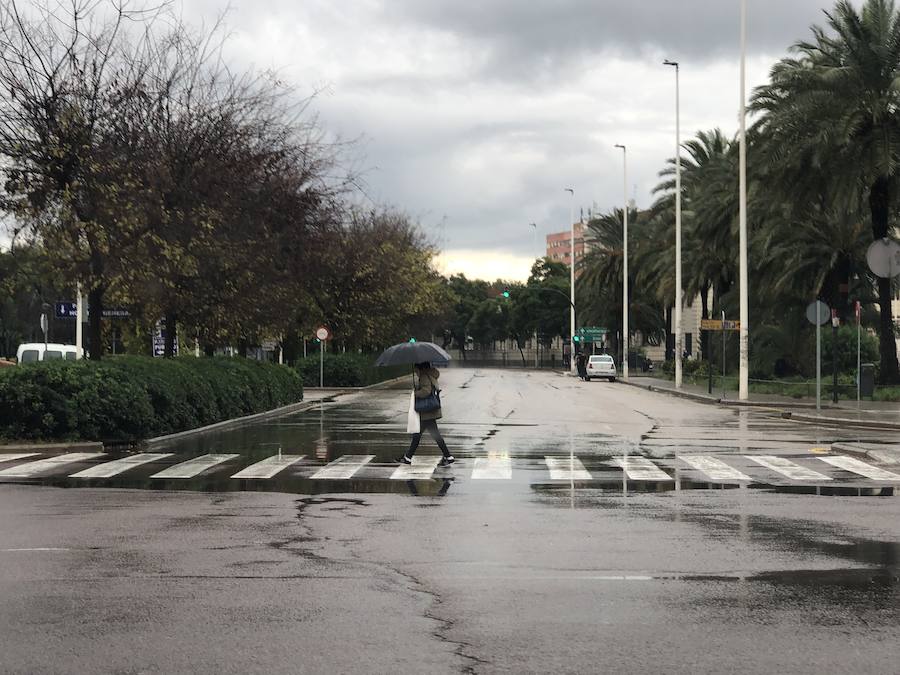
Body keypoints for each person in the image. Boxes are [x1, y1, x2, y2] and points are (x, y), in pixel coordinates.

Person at [397, 361, 454, 467]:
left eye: (417, 370)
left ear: (421, 368)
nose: (416, 372)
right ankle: (448, 456)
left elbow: (426, 391)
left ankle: (408, 457)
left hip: (427, 411)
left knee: (418, 435)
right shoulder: (431, 375)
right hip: (430, 411)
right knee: (429, 435)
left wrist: (415, 393)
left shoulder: (424, 377)